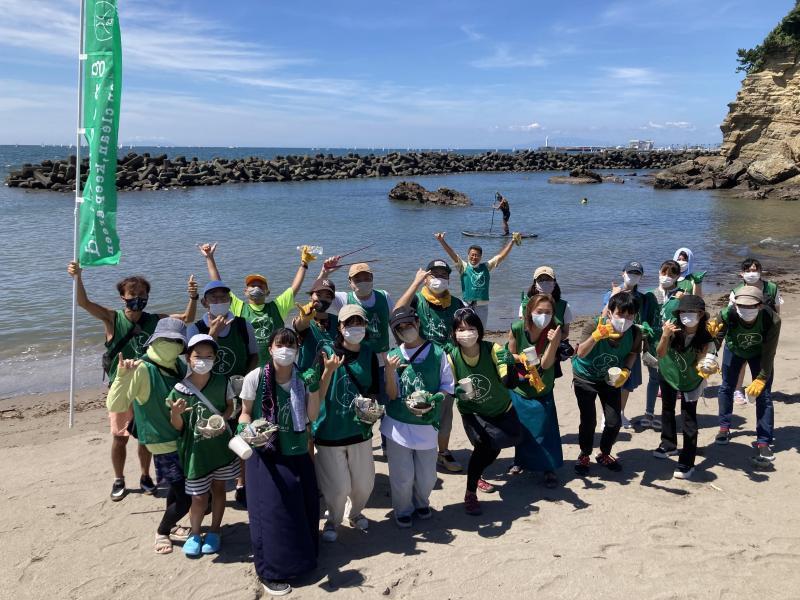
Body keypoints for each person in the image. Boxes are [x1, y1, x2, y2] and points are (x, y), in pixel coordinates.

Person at [67, 261, 198, 501]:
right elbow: (83, 303)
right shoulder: (113, 319)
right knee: (119, 437)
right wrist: (78, 278)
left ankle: (145, 475)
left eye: (142, 294)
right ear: (122, 297)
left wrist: (193, 296)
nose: (137, 298)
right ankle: (119, 478)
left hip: (147, 386)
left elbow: (186, 318)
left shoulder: (155, 320)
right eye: (132, 294)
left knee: (145, 436)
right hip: (122, 387)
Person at [238, 328, 335, 597]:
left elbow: (311, 416)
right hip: (265, 453)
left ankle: (304, 559)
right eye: (280, 345)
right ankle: (271, 571)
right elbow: (245, 413)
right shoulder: (255, 378)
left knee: (303, 506)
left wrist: (315, 387)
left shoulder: (302, 379)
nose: (285, 350)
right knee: (271, 513)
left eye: (291, 345)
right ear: (269, 348)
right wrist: (245, 432)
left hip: (297, 450)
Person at [105, 318, 190, 555]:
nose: (170, 344)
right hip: (161, 443)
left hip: (182, 438)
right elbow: (116, 403)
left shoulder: (178, 366)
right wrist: (122, 377)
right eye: (165, 339)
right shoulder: (142, 368)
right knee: (186, 498)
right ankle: (162, 532)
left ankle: (171, 525)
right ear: (154, 340)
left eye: (176, 341)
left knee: (175, 489)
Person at [188, 280, 259, 505]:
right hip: (208, 392)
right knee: (208, 439)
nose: (219, 302)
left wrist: (246, 382)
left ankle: (241, 484)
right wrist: (213, 334)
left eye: (223, 298)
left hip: (239, 392)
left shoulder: (242, 324)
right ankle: (208, 487)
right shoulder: (196, 328)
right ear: (205, 302)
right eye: (214, 298)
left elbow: (254, 355)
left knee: (242, 437)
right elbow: (195, 360)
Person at [381, 307, 454, 527]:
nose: (406, 330)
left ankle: (422, 501)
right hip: (398, 425)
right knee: (402, 475)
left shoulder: (438, 353)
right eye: (400, 328)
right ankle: (403, 509)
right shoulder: (393, 356)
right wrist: (389, 372)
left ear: (418, 322)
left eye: (409, 324)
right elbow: (392, 395)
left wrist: (434, 400)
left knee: (427, 476)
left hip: (426, 423)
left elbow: (447, 387)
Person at [313, 304, 379, 542]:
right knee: (337, 488)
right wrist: (328, 371)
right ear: (339, 327)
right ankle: (333, 520)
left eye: (359, 322)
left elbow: (372, 390)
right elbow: (316, 395)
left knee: (364, 484)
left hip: (360, 431)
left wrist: (372, 409)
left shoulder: (369, 353)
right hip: (329, 432)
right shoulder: (326, 353)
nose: (354, 327)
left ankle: (356, 512)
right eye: (349, 323)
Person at [168, 334, 238, 556]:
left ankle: (215, 530)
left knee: (219, 489)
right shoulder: (180, 389)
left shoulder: (221, 380)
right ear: (188, 358)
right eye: (198, 356)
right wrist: (176, 413)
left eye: (209, 356)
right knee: (198, 497)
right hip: (195, 452)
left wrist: (223, 420)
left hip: (220, 446)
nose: (203, 360)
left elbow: (230, 406)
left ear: (216, 358)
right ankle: (195, 533)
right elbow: (177, 427)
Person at [447, 307, 522, 515]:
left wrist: (511, 367)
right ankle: (470, 492)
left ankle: (478, 473)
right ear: (454, 333)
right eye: (460, 329)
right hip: (472, 411)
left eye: (471, 328)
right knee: (483, 444)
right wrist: (459, 392)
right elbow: (449, 387)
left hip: (500, 408)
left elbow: (508, 382)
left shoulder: (494, 349)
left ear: (479, 330)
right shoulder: (451, 356)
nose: (466, 332)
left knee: (498, 445)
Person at [396, 262, 465, 472]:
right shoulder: (418, 300)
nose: (439, 278)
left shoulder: (456, 303)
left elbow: (466, 327)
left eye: (444, 275)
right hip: (421, 362)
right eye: (434, 274)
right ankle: (416, 449)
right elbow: (397, 311)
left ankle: (442, 453)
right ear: (426, 278)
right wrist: (415, 283)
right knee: (418, 405)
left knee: (445, 413)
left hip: (448, 363)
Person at [198, 242, 315, 365]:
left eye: (260, 286)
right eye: (252, 286)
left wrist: (304, 264)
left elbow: (295, 287)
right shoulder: (239, 307)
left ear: (267, 292)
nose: (256, 288)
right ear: (245, 292)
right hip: (248, 366)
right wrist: (209, 258)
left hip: (275, 366)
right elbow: (217, 283)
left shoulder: (277, 307)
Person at [571, 292, 643, 474]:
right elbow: (581, 353)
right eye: (621, 314)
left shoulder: (635, 332)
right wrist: (596, 336)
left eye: (630, 315)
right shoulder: (593, 325)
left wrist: (626, 370)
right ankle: (584, 454)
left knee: (613, 421)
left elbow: (633, 353)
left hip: (610, 378)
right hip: (585, 377)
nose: (625, 319)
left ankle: (604, 453)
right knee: (588, 420)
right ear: (610, 313)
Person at [712, 286, 782, 468]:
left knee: (764, 395)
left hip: (760, 354)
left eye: (751, 306)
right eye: (741, 305)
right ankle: (724, 427)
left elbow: (770, 352)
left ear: (760, 306)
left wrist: (762, 377)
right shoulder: (727, 314)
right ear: (735, 304)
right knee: (726, 387)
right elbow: (717, 337)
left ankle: (764, 441)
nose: (745, 309)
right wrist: (710, 357)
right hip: (734, 351)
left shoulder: (771, 319)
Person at [654, 295, 716, 480]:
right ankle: (668, 443)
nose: (686, 316)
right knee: (667, 408)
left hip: (690, 379)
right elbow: (660, 353)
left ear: (701, 314)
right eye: (683, 312)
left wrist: (706, 367)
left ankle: (687, 461)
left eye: (691, 312)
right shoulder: (673, 328)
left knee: (689, 418)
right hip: (668, 373)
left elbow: (701, 361)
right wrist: (665, 335)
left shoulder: (705, 337)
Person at [506, 294, 564, 485]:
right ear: (530, 312)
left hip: (543, 386)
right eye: (540, 312)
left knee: (546, 428)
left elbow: (547, 364)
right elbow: (510, 355)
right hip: (521, 386)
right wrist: (521, 359)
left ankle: (549, 467)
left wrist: (555, 341)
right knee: (521, 427)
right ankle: (520, 461)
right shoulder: (517, 328)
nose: (544, 316)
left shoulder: (554, 329)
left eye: (548, 312)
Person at [601, 261, 658, 430]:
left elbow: (645, 318)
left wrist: (645, 330)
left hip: (633, 343)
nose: (633, 276)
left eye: (637, 273)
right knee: (611, 380)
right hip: (613, 343)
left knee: (627, 380)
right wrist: (614, 295)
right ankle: (606, 415)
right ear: (623, 273)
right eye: (630, 272)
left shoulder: (643, 298)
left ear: (641, 277)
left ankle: (620, 412)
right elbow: (603, 317)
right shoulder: (611, 293)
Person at [728, 258, 783, 405]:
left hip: (765, 331)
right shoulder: (736, 291)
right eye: (748, 271)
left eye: (755, 270)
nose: (752, 273)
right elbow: (730, 314)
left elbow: (777, 309)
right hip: (743, 331)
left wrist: (775, 327)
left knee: (766, 360)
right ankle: (738, 390)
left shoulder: (771, 287)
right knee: (742, 362)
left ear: (760, 271)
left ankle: (761, 389)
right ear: (742, 273)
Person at [434, 231, 519, 325]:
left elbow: (501, 256)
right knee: (466, 329)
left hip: (482, 307)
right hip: (466, 305)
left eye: (477, 255)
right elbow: (452, 254)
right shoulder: (463, 267)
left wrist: (512, 241)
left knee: (480, 331)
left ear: (481, 257)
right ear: (468, 256)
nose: (474, 257)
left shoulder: (486, 266)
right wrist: (442, 241)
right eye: (472, 255)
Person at [641, 259, 684, 430]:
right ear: (659, 272)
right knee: (653, 379)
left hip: (672, 345)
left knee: (669, 380)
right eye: (663, 273)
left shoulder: (681, 295)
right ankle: (649, 413)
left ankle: (666, 414)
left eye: (671, 274)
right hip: (652, 343)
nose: (666, 277)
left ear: (677, 276)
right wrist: (644, 327)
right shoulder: (650, 295)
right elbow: (643, 316)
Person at [519, 266, 576, 380]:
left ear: (554, 283)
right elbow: (521, 330)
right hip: (530, 350)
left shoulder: (564, 306)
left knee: (548, 380)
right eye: (541, 280)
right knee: (526, 380)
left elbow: (565, 333)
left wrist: (553, 339)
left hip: (551, 351)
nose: (544, 282)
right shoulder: (526, 304)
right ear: (535, 283)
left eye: (548, 279)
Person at [293, 277, 339, 372]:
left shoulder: (337, 321)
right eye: (318, 295)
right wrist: (305, 319)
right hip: (308, 376)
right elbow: (300, 326)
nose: (322, 299)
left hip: (333, 375)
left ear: (332, 300)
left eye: (327, 297)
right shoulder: (303, 320)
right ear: (311, 296)